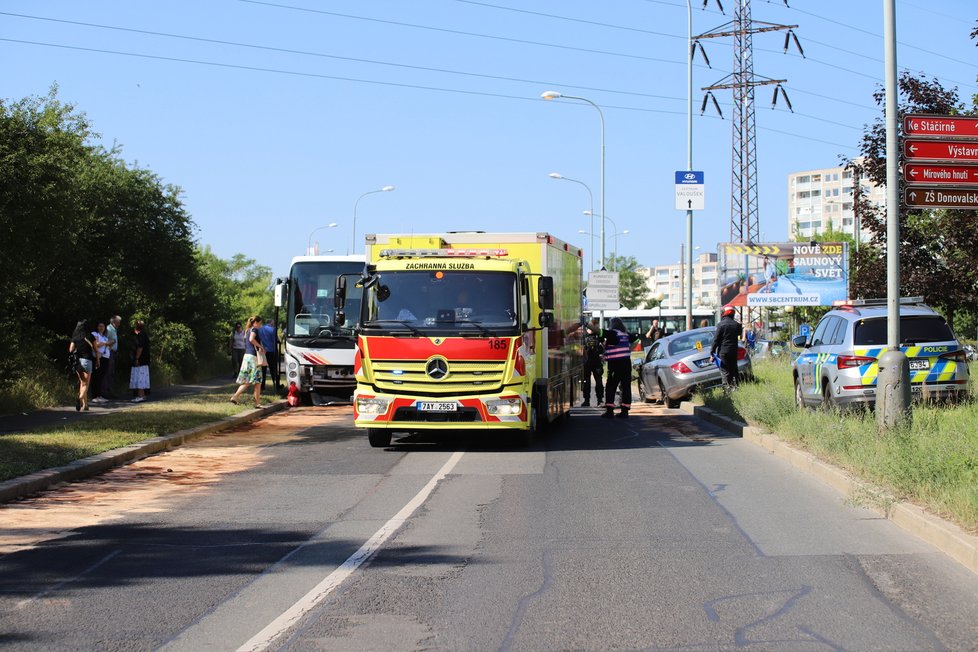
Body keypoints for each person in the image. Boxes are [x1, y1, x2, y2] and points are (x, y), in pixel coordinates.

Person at [588, 317, 639, 419]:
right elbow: (637, 339)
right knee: (626, 387)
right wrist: (629, 349)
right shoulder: (625, 334)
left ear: (612, 325)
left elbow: (598, 331)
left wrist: (586, 324)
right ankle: (625, 411)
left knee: (611, 386)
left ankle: (610, 410)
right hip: (626, 363)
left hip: (615, 365)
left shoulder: (613, 333)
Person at [230, 315, 266, 408]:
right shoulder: (254, 330)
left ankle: (235, 396)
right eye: (260, 323)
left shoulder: (247, 330)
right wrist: (260, 346)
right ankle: (257, 403)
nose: (260, 326)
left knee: (248, 381)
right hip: (253, 357)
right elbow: (251, 339)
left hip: (247, 356)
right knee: (257, 381)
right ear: (255, 323)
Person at [711, 305, 743, 390]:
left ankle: (727, 390)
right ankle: (735, 388)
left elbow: (716, 340)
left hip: (723, 352)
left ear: (724, 314)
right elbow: (740, 334)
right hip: (733, 352)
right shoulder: (736, 325)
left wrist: (712, 352)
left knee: (725, 372)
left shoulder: (720, 325)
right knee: (734, 370)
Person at [68, 319, 96, 412]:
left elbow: (71, 349)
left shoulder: (75, 337)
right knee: (86, 384)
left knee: (82, 383)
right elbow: (95, 349)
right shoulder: (91, 336)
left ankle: (85, 405)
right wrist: (98, 360)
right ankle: (79, 399)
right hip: (87, 361)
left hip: (78, 362)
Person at [581, 317, 604, 407]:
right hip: (587, 362)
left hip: (597, 361)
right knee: (586, 381)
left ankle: (600, 399)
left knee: (598, 381)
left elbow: (605, 346)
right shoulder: (584, 336)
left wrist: (604, 355)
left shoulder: (599, 336)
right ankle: (586, 400)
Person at [130, 320, 151, 403]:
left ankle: (140, 396)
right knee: (143, 377)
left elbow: (140, 347)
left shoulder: (140, 335)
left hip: (141, 360)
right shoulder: (145, 334)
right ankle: (143, 395)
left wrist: (136, 358)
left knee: (139, 377)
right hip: (145, 360)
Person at [101, 315, 121, 399]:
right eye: (118, 322)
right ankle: (105, 392)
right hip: (108, 353)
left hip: (113, 353)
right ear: (114, 322)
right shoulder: (108, 329)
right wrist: (109, 345)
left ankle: (109, 391)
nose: (119, 324)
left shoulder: (114, 329)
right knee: (108, 372)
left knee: (111, 372)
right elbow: (103, 340)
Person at [89, 321, 110, 403]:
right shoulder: (95, 334)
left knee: (101, 377)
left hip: (105, 358)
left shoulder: (105, 337)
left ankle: (99, 395)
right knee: (96, 376)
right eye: (100, 326)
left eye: (103, 326)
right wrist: (105, 343)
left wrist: (106, 343)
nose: (102, 328)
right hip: (98, 357)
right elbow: (96, 344)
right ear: (97, 327)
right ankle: (95, 396)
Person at [259, 318, 280, 392]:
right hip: (272, 351)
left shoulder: (260, 329)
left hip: (263, 351)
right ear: (271, 323)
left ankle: (262, 386)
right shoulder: (273, 330)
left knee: (263, 369)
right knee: (273, 369)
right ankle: (276, 385)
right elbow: (277, 340)